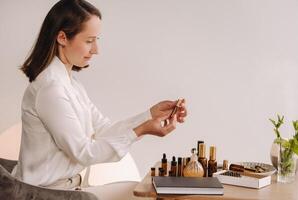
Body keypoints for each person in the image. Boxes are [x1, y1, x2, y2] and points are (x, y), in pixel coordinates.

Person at [11, 0, 187, 197]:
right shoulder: (50, 89)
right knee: (139, 194)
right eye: (89, 41)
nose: (96, 50)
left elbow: (103, 130)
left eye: (96, 40)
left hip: (67, 189)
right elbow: (84, 152)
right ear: (62, 37)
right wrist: (141, 130)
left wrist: (149, 116)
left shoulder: (70, 84)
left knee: (139, 190)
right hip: (43, 194)